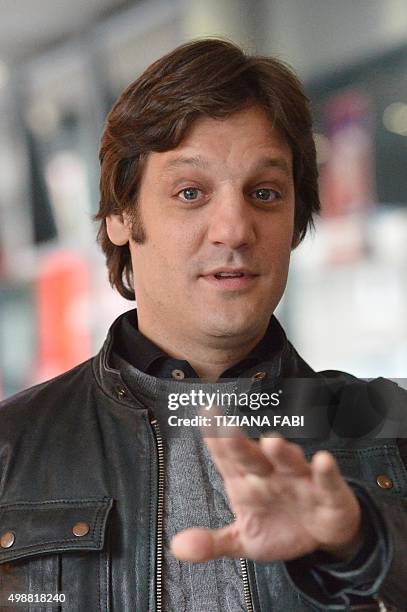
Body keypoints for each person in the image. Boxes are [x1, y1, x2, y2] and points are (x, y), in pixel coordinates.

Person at [0, 38, 406, 612]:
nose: (235, 229)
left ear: (295, 223)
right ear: (121, 214)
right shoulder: (12, 447)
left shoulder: (388, 428)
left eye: (265, 193)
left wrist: (361, 550)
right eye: (191, 193)